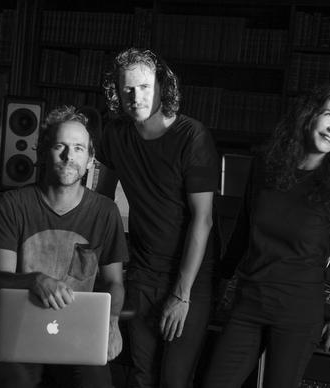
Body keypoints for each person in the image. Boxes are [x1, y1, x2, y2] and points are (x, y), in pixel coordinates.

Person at [201, 83, 330, 388]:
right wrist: (221, 283)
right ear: (309, 115)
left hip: (298, 313)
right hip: (250, 302)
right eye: (329, 115)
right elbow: (243, 232)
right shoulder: (266, 166)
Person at [97, 47, 220, 388]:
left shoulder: (193, 137)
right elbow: (102, 201)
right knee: (140, 376)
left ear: (162, 88)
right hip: (142, 270)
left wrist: (182, 294)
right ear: (116, 92)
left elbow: (203, 220)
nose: (136, 97)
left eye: (145, 87)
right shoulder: (115, 135)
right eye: (127, 89)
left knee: (173, 380)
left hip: (189, 277)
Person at [0, 105, 128, 388]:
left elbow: (115, 282)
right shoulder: (12, 205)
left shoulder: (105, 212)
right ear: (42, 153)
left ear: (90, 159)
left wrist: (112, 321)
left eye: (78, 148)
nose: (69, 156)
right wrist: (35, 280)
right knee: (15, 380)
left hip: (78, 332)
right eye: (60, 146)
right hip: (20, 325)